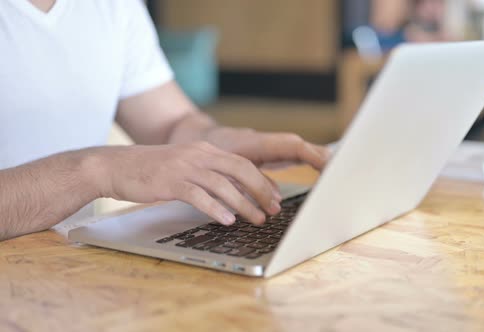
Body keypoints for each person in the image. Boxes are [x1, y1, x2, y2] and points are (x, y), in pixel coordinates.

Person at [0, 0, 330, 241]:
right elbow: (99, 169)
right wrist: (96, 171)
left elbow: (172, 123)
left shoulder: (114, 7)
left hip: (58, 272)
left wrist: (217, 144)